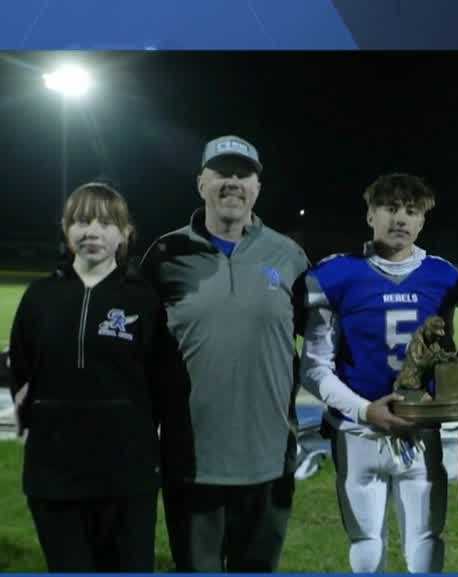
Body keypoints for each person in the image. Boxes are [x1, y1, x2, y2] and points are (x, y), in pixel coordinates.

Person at [141, 135, 309, 572]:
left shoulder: (288, 255)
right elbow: (139, 354)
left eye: (243, 174)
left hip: (270, 457)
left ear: (257, 187)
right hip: (191, 459)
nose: (233, 183)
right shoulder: (164, 255)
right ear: (201, 183)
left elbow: (322, 346)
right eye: (222, 173)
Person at [300, 173, 458, 573]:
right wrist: (365, 410)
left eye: (411, 211)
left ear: (423, 220)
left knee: (425, 541)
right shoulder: (335, 275)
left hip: (419, 431)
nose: (400, 219)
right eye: (390, 208)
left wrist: (438, 399)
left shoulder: (444, 277)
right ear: (370, 214)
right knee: (366, 542)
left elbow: (446, 358)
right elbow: (313, 368)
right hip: (359, 432)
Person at [9, 182, 165, 571]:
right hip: (53, 476)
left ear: (125, 233)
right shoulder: (39, 297)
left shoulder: (143, 299)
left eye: (104, 222)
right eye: (80, 221)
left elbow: (164, 382)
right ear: (65, 229)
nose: (91, 231)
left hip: (127, 477)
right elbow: (23, 374)